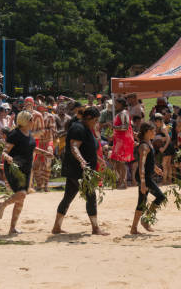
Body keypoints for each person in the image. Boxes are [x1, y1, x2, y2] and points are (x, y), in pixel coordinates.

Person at [52, 107, 107, 235]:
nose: (96, 123)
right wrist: (81, 160)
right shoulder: (78, 128)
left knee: (68, 197)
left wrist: (99, 159)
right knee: (91, 195)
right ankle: (95, 228)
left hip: (78, 169)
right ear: (89, 118)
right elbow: (74, 147)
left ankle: (56, 227)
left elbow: (89, 149)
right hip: (77, 170)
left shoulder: (87, 128)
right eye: (95, 120)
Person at [0, 111, 37, 235]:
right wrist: (7, 157)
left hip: (26, 169)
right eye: (31, 119)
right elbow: (4, 151)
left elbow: (30, 148)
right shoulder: (14, 134)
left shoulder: (29, 134)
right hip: (14, 168)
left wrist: (44, 152)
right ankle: (3, 205)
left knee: (20, 200)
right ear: (24, 121)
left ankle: (12, 228)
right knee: (22, 194)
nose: (33, 121)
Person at [130, 122, 166, 235]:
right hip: (144, 177)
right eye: (153, 131)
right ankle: (145, 221)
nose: (155, 133)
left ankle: (134, 228)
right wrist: (143, 183)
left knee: (142, 201)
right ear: (147, 132)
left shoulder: (148, 143)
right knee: (160, 197)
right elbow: (141, 165)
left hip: (146, 176)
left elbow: (149, 162)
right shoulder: (144, 146)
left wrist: (155, 168)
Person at [110, 97, 134, 189]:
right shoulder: (120, 114)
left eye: (116, 103)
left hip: (124, 140)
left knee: (121, 161)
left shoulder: (124, 113)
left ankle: (123, 182)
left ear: (121, 104)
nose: (115, 105)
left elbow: (125, 127)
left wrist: (113, 127)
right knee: (115, 160)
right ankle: (120, 180)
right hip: (119, 140)